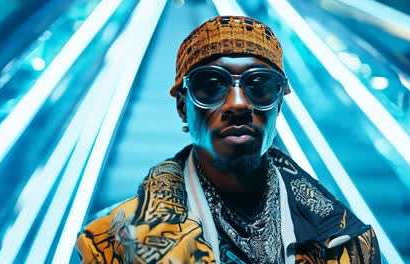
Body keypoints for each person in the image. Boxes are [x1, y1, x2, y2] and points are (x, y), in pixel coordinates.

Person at [76, 15, 381, 263]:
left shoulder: (350, 244)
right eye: (211, 85)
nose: (238, 104)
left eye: (259, 85)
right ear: (183, 106)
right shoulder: (112, 242)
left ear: (279, 103)